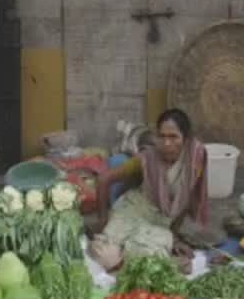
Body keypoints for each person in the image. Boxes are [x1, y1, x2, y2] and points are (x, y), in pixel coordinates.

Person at [90, 109, 224, 272]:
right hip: (133, 211)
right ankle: (129, 258)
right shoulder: (147, 158)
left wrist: (174, 237)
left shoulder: (195, 159)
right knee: (102, 253)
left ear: (186, 139)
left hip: (160, 222)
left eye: (173, 137)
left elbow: (184, 199)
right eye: (162, 136)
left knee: (151, 252)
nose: (167, 143)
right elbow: (103, 179)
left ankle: (133, 258)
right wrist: (103, 221)